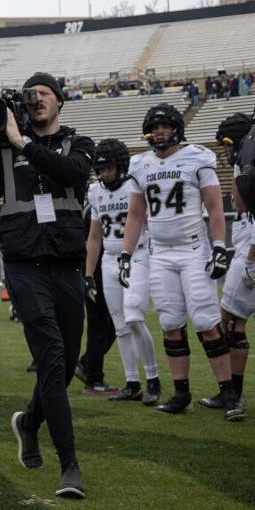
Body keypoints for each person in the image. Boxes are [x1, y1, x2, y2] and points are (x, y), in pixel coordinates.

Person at [0, 74, 95, 499]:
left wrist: (23, 143)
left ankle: (29, 422)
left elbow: (74, 172)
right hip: (24, 263)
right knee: (51, 355)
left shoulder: (78, 144)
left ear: (59, 101)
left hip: (65, 262)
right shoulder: (5, 145)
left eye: (43, 93)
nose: (36, 100)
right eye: (30, 95)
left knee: (60, 370)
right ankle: (70, 466)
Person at [119, 103, 238, 419]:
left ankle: (229, 392)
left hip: (192, 250)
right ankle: (181, 392)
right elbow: (135, 215)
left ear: (176, 129)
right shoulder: (140, 165)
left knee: (205, 321)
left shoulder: (197, 157)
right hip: (160, 254)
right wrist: (126, 254)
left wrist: (218, 247)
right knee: (170, 322)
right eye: (155, 126)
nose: (160, 131)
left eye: (165, 126)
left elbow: (214, 207)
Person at [206, 114, 255, 416]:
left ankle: (233, 395)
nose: (225, 152)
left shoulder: (248, 163)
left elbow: (244, 206)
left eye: (227, 145)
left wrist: (251, 258)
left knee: (229, 321)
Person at [85, 139, 160, 403]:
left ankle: (153, 379)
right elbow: (95, 237)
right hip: (109, 260)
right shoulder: (95, 191)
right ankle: (132, 382)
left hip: (138, 254)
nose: (105, 174)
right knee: (120, 326)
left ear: (121, 165)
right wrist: (88, 273)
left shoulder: (134, 186)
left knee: (133, 317)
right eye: (101, 169)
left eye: (109, 168)